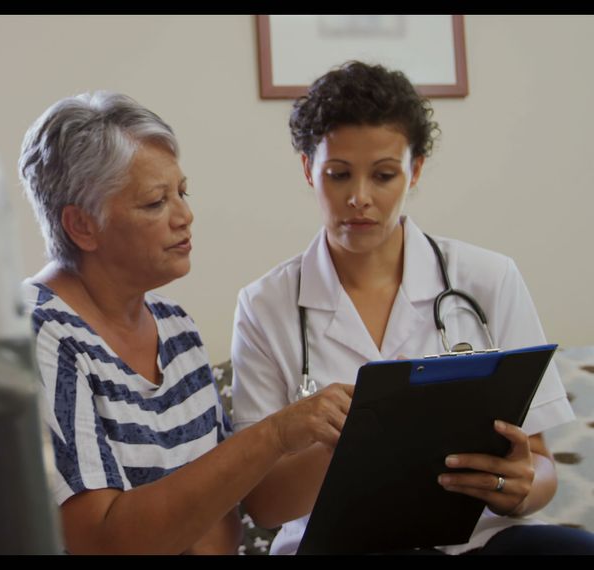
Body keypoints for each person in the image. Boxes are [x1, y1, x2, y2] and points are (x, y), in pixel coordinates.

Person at [0, 91, 353, 554]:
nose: (185, 216)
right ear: (82, 226)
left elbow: (220, 519)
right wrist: (277, 433)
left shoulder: (176, 330)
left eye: (182, 192)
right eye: (156, 202)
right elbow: (95, 544)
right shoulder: (20, 339)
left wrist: (348, 438)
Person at [230, 60, 594, 555]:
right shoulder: (264, 306)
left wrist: (515, 490)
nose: (360, 198)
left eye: (383, 175)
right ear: (307, 169)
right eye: (338, 174)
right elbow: (265, 507)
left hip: (478, 545)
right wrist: (350, 441)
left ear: (415, 169)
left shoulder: (488, 279)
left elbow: (540, 468)